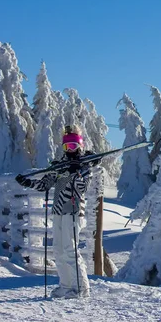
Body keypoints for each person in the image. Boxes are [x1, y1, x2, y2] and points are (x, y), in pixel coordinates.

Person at [15, 125, 99, 298]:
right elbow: (45, 184)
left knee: (70, 250)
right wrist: (28, 183)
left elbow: (82, 188)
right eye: (67, 147)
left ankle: (81, 288)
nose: (70, 150)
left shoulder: (84, 167)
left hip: (74, 211)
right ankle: (66, 285)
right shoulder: (60, 166)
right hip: (58, 211)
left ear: (80, 146)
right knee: (59, 250)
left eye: (73, 146)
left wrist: (77, 172)